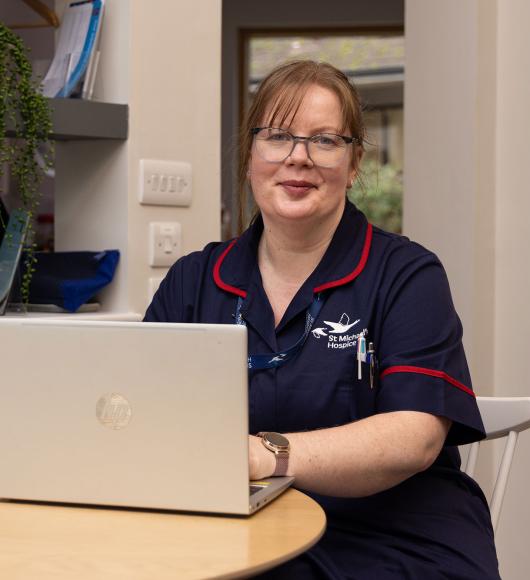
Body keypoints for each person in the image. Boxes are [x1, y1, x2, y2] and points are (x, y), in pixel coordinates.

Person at [144, 60, 500, 579]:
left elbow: (415, 436)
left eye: (325, 140)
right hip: (239, 528)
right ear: (251, 154)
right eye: (279, 136)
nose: (298, 158)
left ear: (354, 164)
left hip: (392, 538)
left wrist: (268, 454)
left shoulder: (406, 274)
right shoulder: (195, 280)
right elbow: (144, 413)